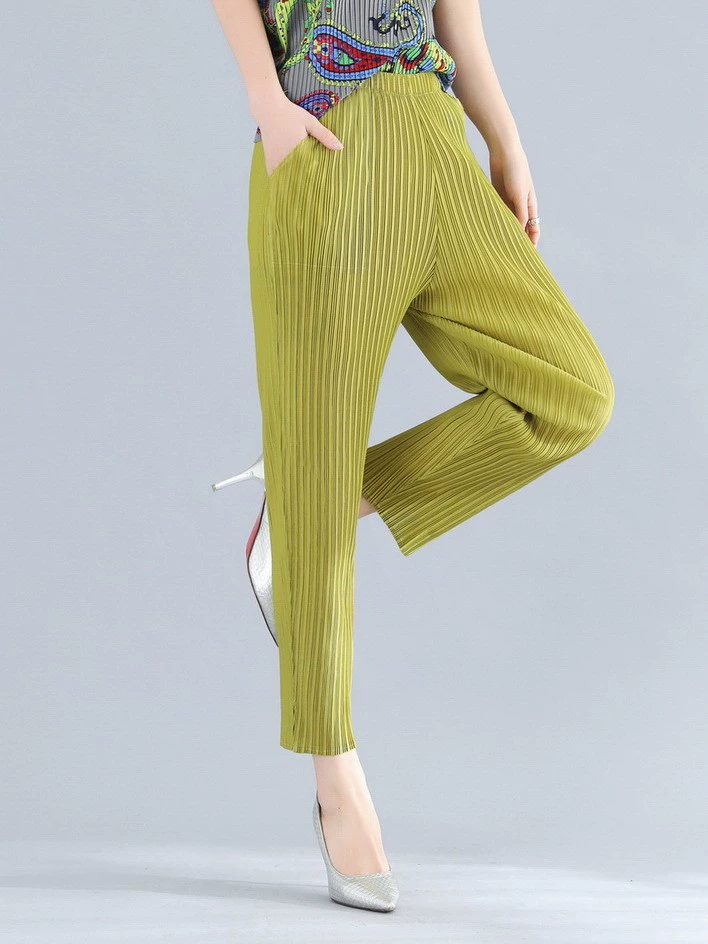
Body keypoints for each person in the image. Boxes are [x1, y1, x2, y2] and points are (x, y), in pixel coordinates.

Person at [210, 0, 615, 912]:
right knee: (318, 450)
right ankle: (337, 782)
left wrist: (504, 139)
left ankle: (315, 500)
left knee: (570, 393)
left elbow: (454, 10)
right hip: (328, 137)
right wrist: (268, 103)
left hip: (436, 134)